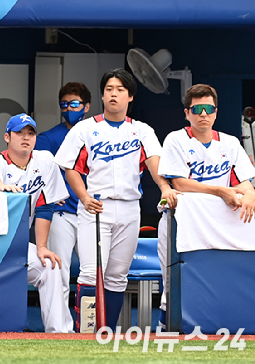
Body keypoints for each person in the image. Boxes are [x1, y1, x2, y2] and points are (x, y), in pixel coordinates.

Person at [54, 68, 178, 332]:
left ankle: (106, 333)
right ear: (102, 95)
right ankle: (85, 333)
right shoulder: (85, 129)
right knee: (89, 272)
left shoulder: (142, 131)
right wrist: (84, 197)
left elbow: (153, 162)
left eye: (120, 90)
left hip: (130, 207)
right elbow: (70, 168)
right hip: (96, 206)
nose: (114, 94)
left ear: (130, 96)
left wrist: (165, 187)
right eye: (109, 89)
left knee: (117, 277)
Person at [156, 84, 255, 329]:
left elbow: (245, 182)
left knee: (216, 276)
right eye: (197, 109)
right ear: (187, 113)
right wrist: (220, 191)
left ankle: (218, 326)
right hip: (181, 219)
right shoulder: (176, 138)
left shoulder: (230, 142)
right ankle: (169, 327)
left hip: (219, 221)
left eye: (208, 109)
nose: (203, 114)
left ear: (215, 112)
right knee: (172, 281)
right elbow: (178, 182)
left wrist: (251, 194)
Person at [0, 113, 70, 333]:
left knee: (50, 266)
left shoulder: (45, 160)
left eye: (30, 133)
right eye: (19, 133)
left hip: (15, 246)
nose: (25, 137)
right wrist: (2, 186)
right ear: (7, 137)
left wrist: (42, 248)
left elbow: (45, 207)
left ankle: (59, 335)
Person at [34, 82, 91, 333]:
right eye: (64, 104)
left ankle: (92, 328)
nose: (69, 108)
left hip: (92, 211)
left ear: (87, 107)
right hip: (61, 212)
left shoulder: (97, 134)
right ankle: (60, 331)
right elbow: (40, 172)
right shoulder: (47, 138)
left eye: (75, 104)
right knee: (59, 271)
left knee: (93, 274)